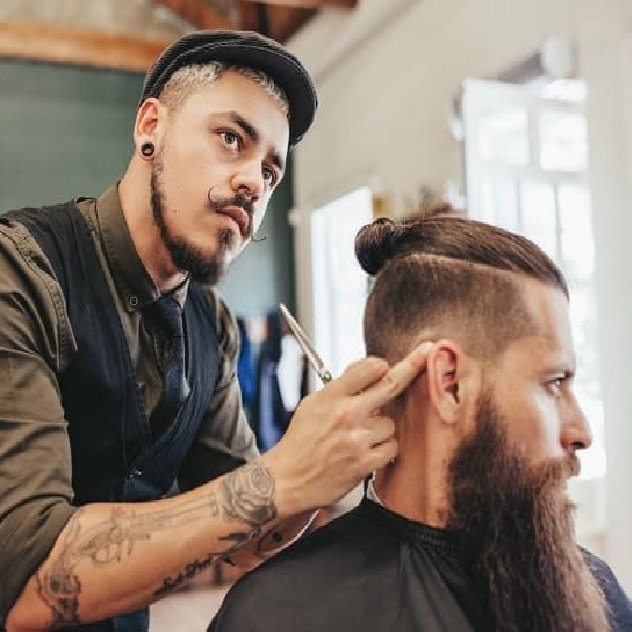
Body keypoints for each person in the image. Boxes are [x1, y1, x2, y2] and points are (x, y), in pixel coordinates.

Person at [0, 30, 431, 632]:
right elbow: (26, 578)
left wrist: (327, 462)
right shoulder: (21, 272)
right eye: (231, 139)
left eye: (271, 171)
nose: (254, 182)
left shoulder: (211, 326)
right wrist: (284, 474)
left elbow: (247, 539)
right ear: (151, 126)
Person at [209, 211, 632, 632]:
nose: (582, 432)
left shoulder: (596, 593)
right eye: (554, 383)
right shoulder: (281, 616)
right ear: (450, 384)